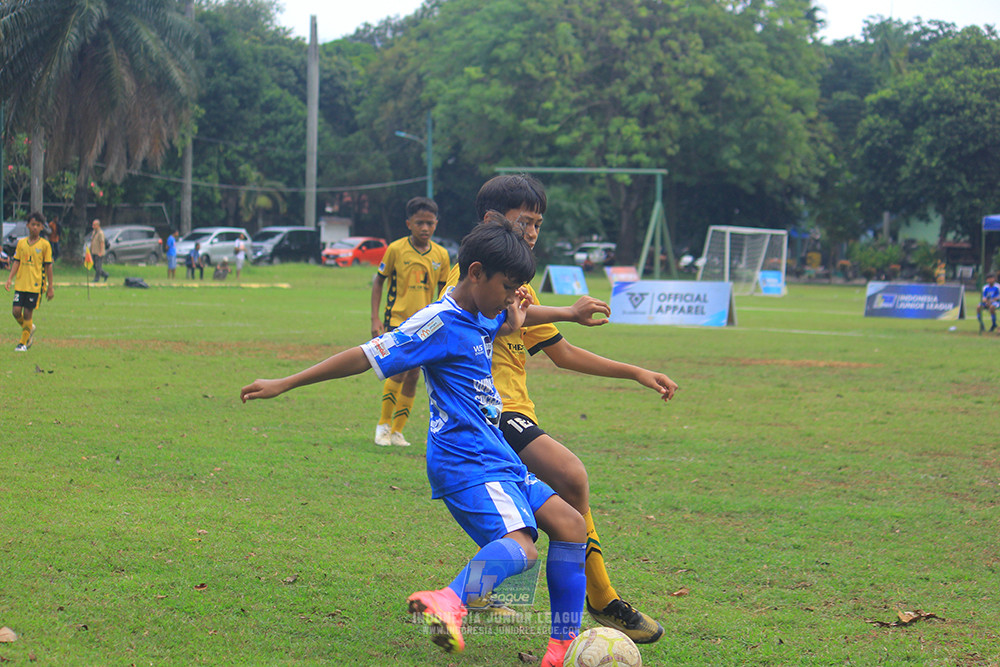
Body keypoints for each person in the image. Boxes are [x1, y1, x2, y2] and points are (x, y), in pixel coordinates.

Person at [242, 220, 589, 666]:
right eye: (509, 288)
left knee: (570, 524)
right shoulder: (436, 323)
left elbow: (500, 320)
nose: (511, 299)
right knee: (522, 547)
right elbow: (365, 355)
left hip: (495, 453)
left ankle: (560, 650)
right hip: (467, 459)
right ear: (476, 272)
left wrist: (544, 317)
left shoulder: (481, 311)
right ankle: (449, 600)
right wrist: (284, 382)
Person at [442, 174, 678, 644]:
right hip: (491, 414)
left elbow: (562, 353)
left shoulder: (514, 283)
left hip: (513, 414)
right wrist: (566, 310)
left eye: (538, 224)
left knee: (539, 521)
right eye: (523, 221)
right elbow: (486, 314)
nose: (532, 232)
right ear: (491, 221)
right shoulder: (477, 275)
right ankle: (602, 598)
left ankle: (487, 597)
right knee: (571, 477)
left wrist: (634, 371)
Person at [369, 196, 451, 447]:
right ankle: (383, 425)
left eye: (429, 223)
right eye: (419, 223)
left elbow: (444, 292)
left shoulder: (442, 255)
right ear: (409, 224)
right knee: (400, 369)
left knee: (414, 375)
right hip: (398, 320)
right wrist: (375, 318)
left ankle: (397, 431)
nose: (425, 228)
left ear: (436, 224)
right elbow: (379, 280)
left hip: (427, 324)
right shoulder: (395, 249)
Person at [4, 212, 54, 352]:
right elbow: (16, 262)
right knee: (15, 312)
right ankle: (29, 328)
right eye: (33, 224)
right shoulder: (21, 243)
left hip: (35, 286)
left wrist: (50, 287)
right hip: (21, 284)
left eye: (38, 225)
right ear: (28, 225)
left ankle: (23, 343)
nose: (35, 228)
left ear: (42, 228)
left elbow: (48, 266)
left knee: (27, 314)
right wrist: (10, 279)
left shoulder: (45, 245)